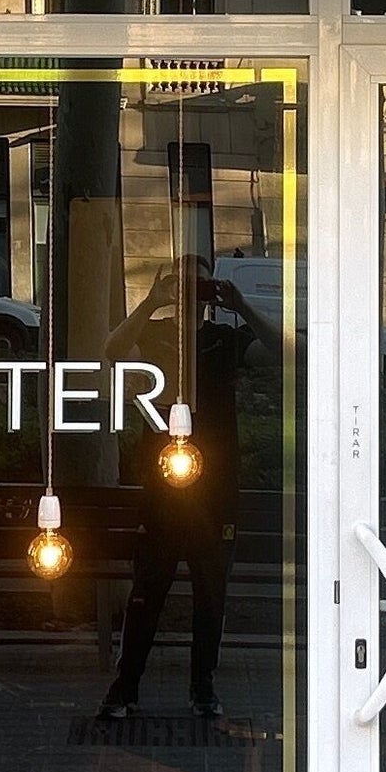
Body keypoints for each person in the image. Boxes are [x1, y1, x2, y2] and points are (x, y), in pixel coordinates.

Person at [97, 254, 279, 721]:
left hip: (215, 490)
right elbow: (114, 350)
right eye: (183, 283)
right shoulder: (157, 335)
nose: (191, 292)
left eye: (201, 285)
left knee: (210, 593)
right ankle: (126, 685)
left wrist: (242, 306)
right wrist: (150, 303)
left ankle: (203, 687)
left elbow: (283, 353)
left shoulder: (223, 338)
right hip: (162, 488)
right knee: (147, 591)